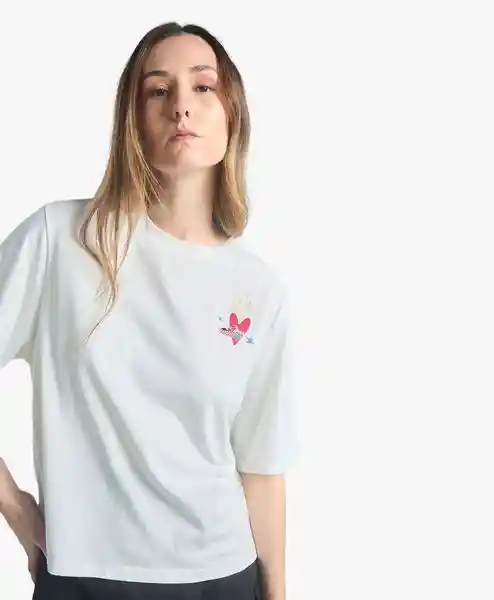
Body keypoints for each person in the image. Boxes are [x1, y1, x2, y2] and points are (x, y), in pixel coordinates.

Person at [0, 21, 299, 600]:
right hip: (84, 577)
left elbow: (262, 464)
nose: (181, 106)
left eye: (203, 87)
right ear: (131, 119)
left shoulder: (257, 289)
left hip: (222, 575)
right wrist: (15, 506)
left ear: (232, 114)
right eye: (158, 90)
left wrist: (278, 591)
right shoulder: (59, 240)